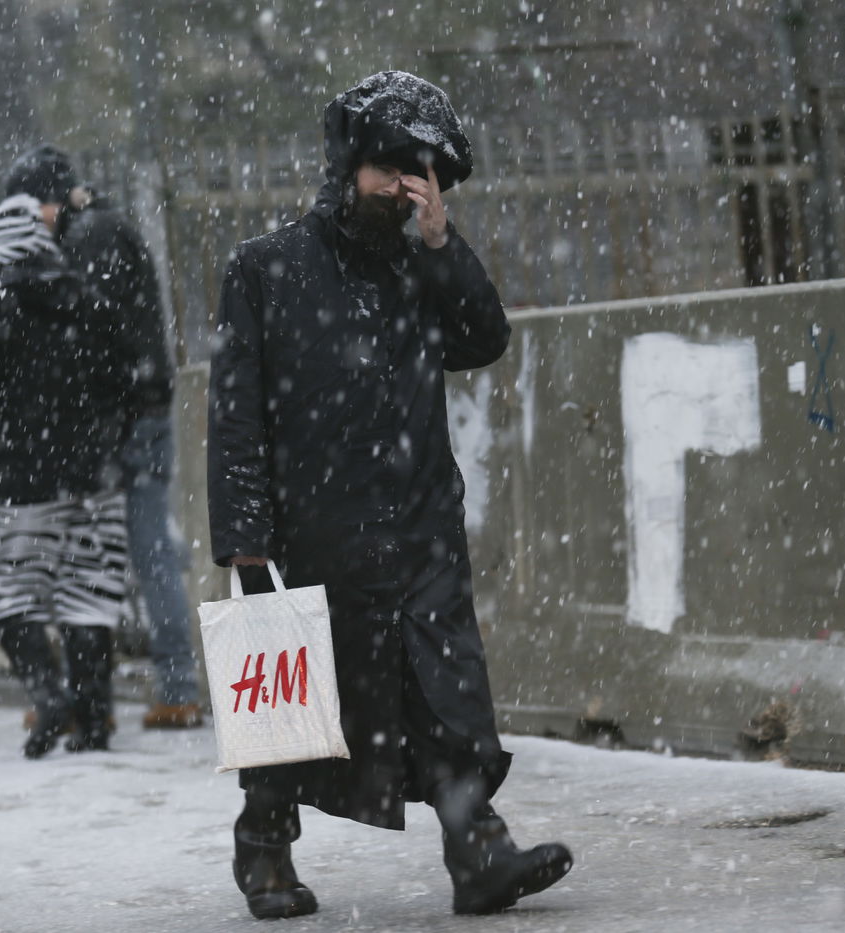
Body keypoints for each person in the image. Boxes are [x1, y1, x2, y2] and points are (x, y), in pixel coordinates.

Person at [207, 70, 572, 920]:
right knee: (290, 691)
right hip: (314, 530)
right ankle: (264, 848)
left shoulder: (420, 266)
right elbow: (235, 415)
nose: (402, 190)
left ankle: (477, 850)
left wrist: (446, 246)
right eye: (387, 171)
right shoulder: (266, 270)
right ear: (347, 168)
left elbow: (483, 338)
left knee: (446, 694)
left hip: (418, 527)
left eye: (419, 176)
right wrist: (246, 537)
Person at [2, 144, 202, 730]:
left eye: (28, 207)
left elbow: (89, 334)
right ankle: (112, 694)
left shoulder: (91, 237)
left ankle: (169, 687)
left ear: (52, 200)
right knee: (124, 552)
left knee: (134, 551)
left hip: (126, 419)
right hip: (129, 412)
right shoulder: (96, 230)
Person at [0, 193, 136, 758]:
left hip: (18, 483)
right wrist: (104, 445)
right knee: (89, 596)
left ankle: (49, 695)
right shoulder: (88, 298)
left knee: (8, 598)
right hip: (92, 478)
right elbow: (125, 383)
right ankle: (95, 717)